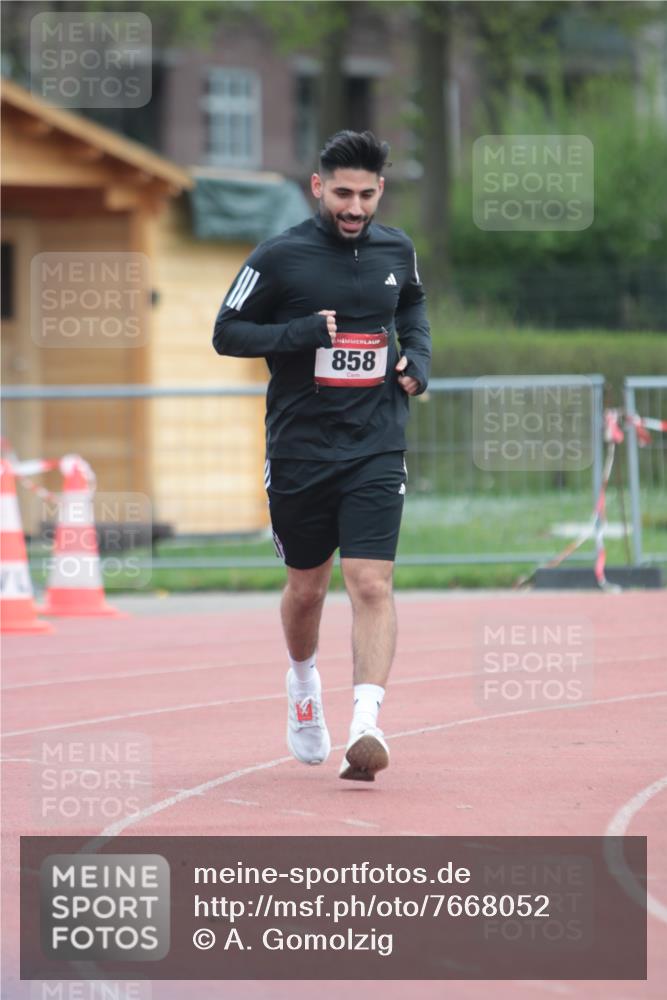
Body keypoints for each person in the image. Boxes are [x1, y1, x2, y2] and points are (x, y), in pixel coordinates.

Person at [213, 130, 431, 781]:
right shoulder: (279, 257)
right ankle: (303, 685)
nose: (354, 206)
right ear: (317, 187)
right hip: (300, 448)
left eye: (366, 194)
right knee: (306, 590)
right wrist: (298, 334)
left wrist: (417, 358)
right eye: (342, 193)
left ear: (379, 191)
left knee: (370, 582)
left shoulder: (397, 248)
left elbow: (412, 306)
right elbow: (226, 333)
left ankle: (366, 722)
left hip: (375, 443)